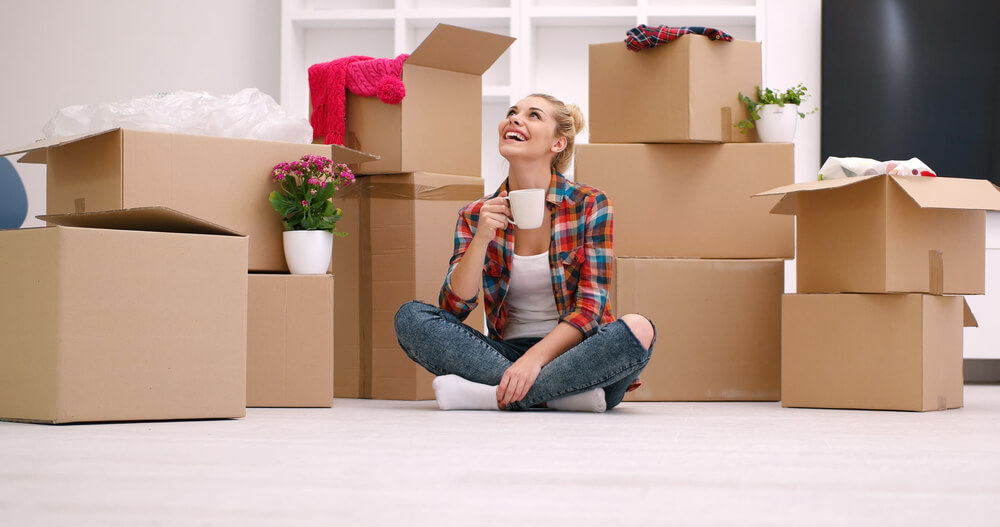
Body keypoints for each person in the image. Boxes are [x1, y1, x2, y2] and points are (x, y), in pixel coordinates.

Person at [393, 93, 655, 412]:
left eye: (533, 115)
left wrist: (532, 363)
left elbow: (590, 310)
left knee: (639, 328)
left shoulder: (590, 204)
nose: (515, 118)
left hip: (580, 356)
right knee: (410, 317)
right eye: (512, 112)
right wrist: (481, 238)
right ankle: (564, 397)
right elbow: (453, 307)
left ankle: (492, 395)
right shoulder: (476, 213)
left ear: (557, 143)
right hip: (503, 355)